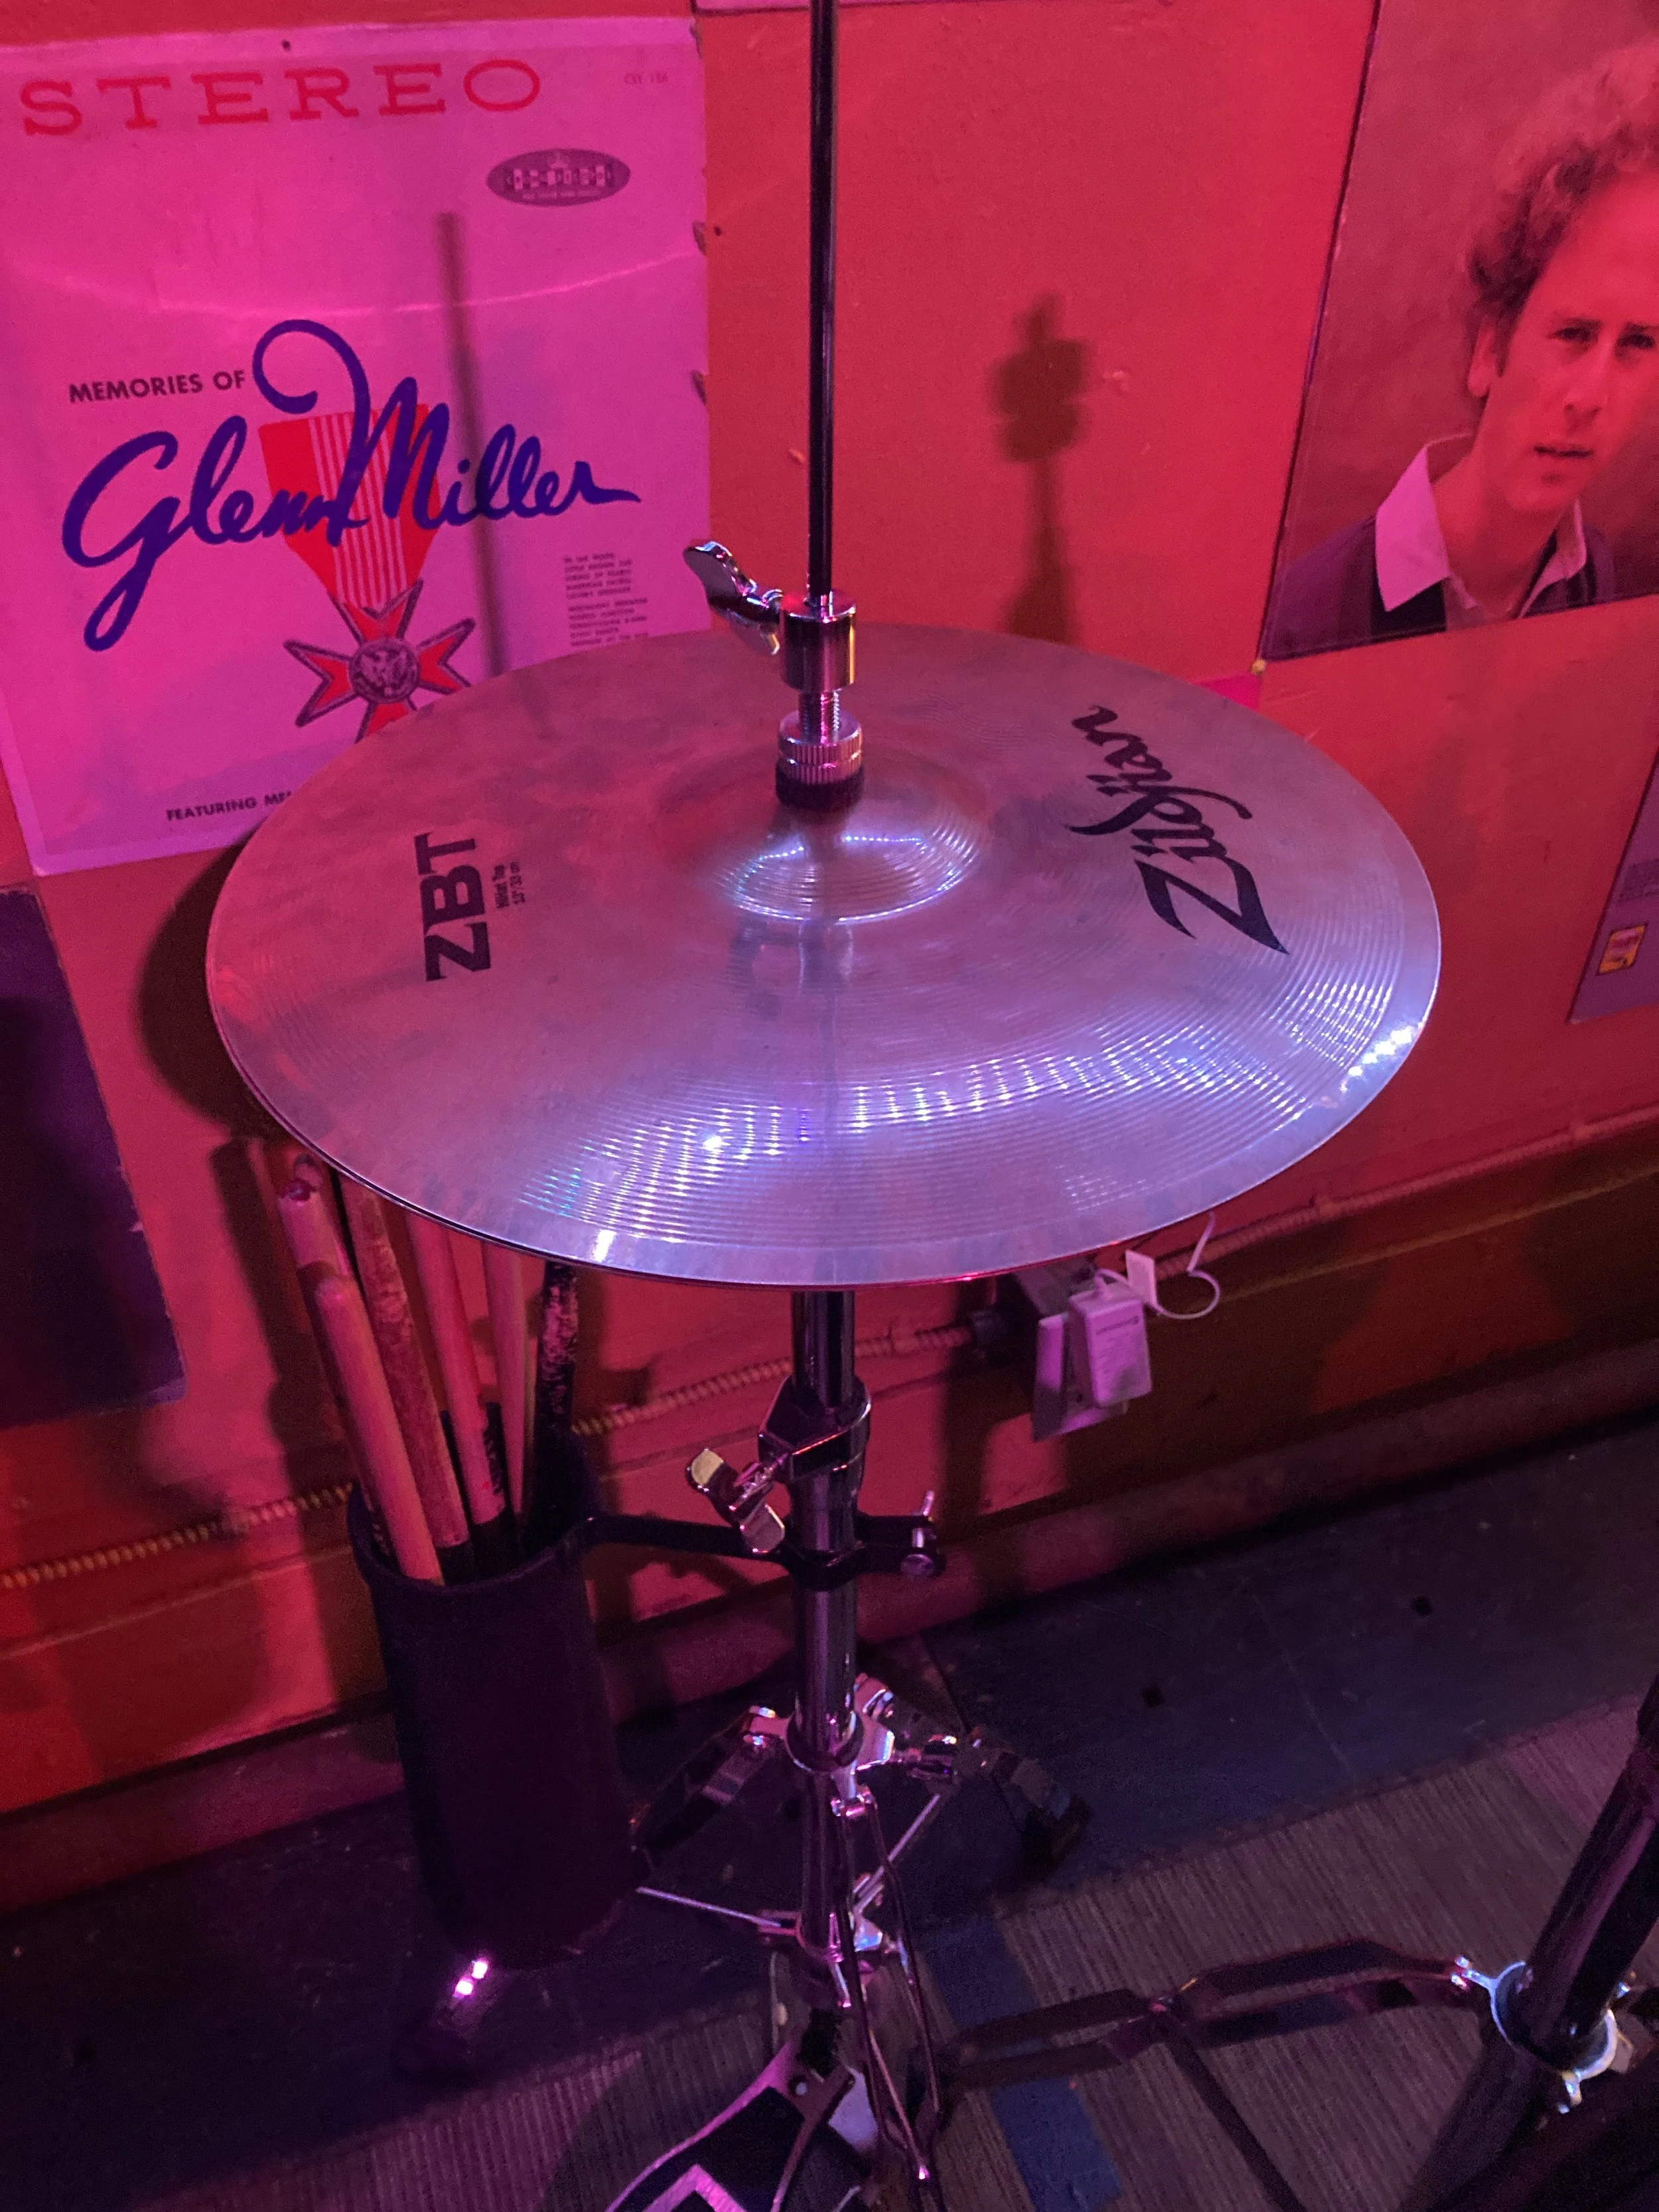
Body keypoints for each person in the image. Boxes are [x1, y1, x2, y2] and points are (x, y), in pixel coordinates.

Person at [1264, 42, 1659, 660]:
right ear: (1489, 348)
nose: (1589, 397)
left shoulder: (1593, 582)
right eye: (1573, 334)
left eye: (1638, 343)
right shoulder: (1308, 621)